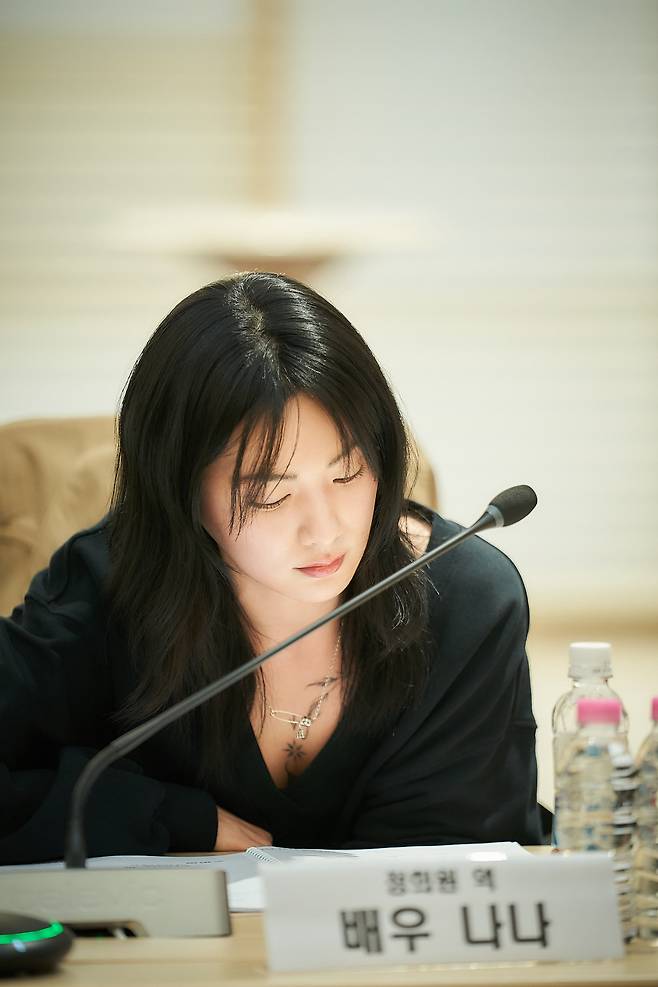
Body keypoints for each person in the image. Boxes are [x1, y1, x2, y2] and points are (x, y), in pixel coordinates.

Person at [0, 272, 543, 864]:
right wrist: (163, 816)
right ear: (182, 490)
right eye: (270, 495)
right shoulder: (106, 585)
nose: (325, 530)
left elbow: (461, 858)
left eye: (347, 474)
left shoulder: (467, 600)